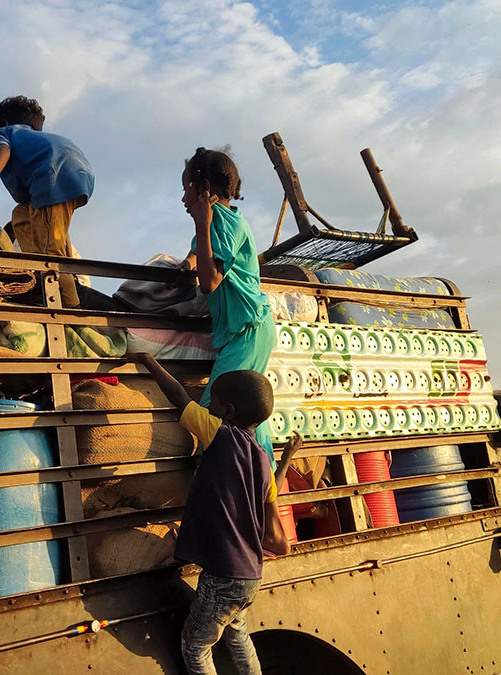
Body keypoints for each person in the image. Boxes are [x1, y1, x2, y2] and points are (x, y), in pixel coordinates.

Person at [132, 353, 301, 675]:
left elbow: (180, 399)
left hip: (223, 575)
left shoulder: (220, 434)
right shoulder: (263, 460)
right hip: (249, 575)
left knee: (196, 647)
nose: (207, 407)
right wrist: (288, 457)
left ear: (228, 411)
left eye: (213, 402)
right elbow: (272, 496)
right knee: (238, 637)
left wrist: (148, 361)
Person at [182, 147, 276, 462]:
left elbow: (210, 281)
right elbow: (202, 257)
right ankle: (266, 485)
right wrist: (188, 261)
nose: (183, 200)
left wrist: (201, 224)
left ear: (204, 189)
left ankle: (235, 481)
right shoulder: (221, 221)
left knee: (216, 412)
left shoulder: (219, 221)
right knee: (246, 413)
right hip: (251, 328)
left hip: (246, 330)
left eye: (187, 190)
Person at [0, 96, 94, 307]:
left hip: (52, 176)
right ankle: (34, 267)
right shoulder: (33, 141)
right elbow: (25, 201)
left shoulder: (5, 133)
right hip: (77, 175)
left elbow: (2, 149)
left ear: (2, 125)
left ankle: (69, 305)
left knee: (52, 253)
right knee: (24, 217)